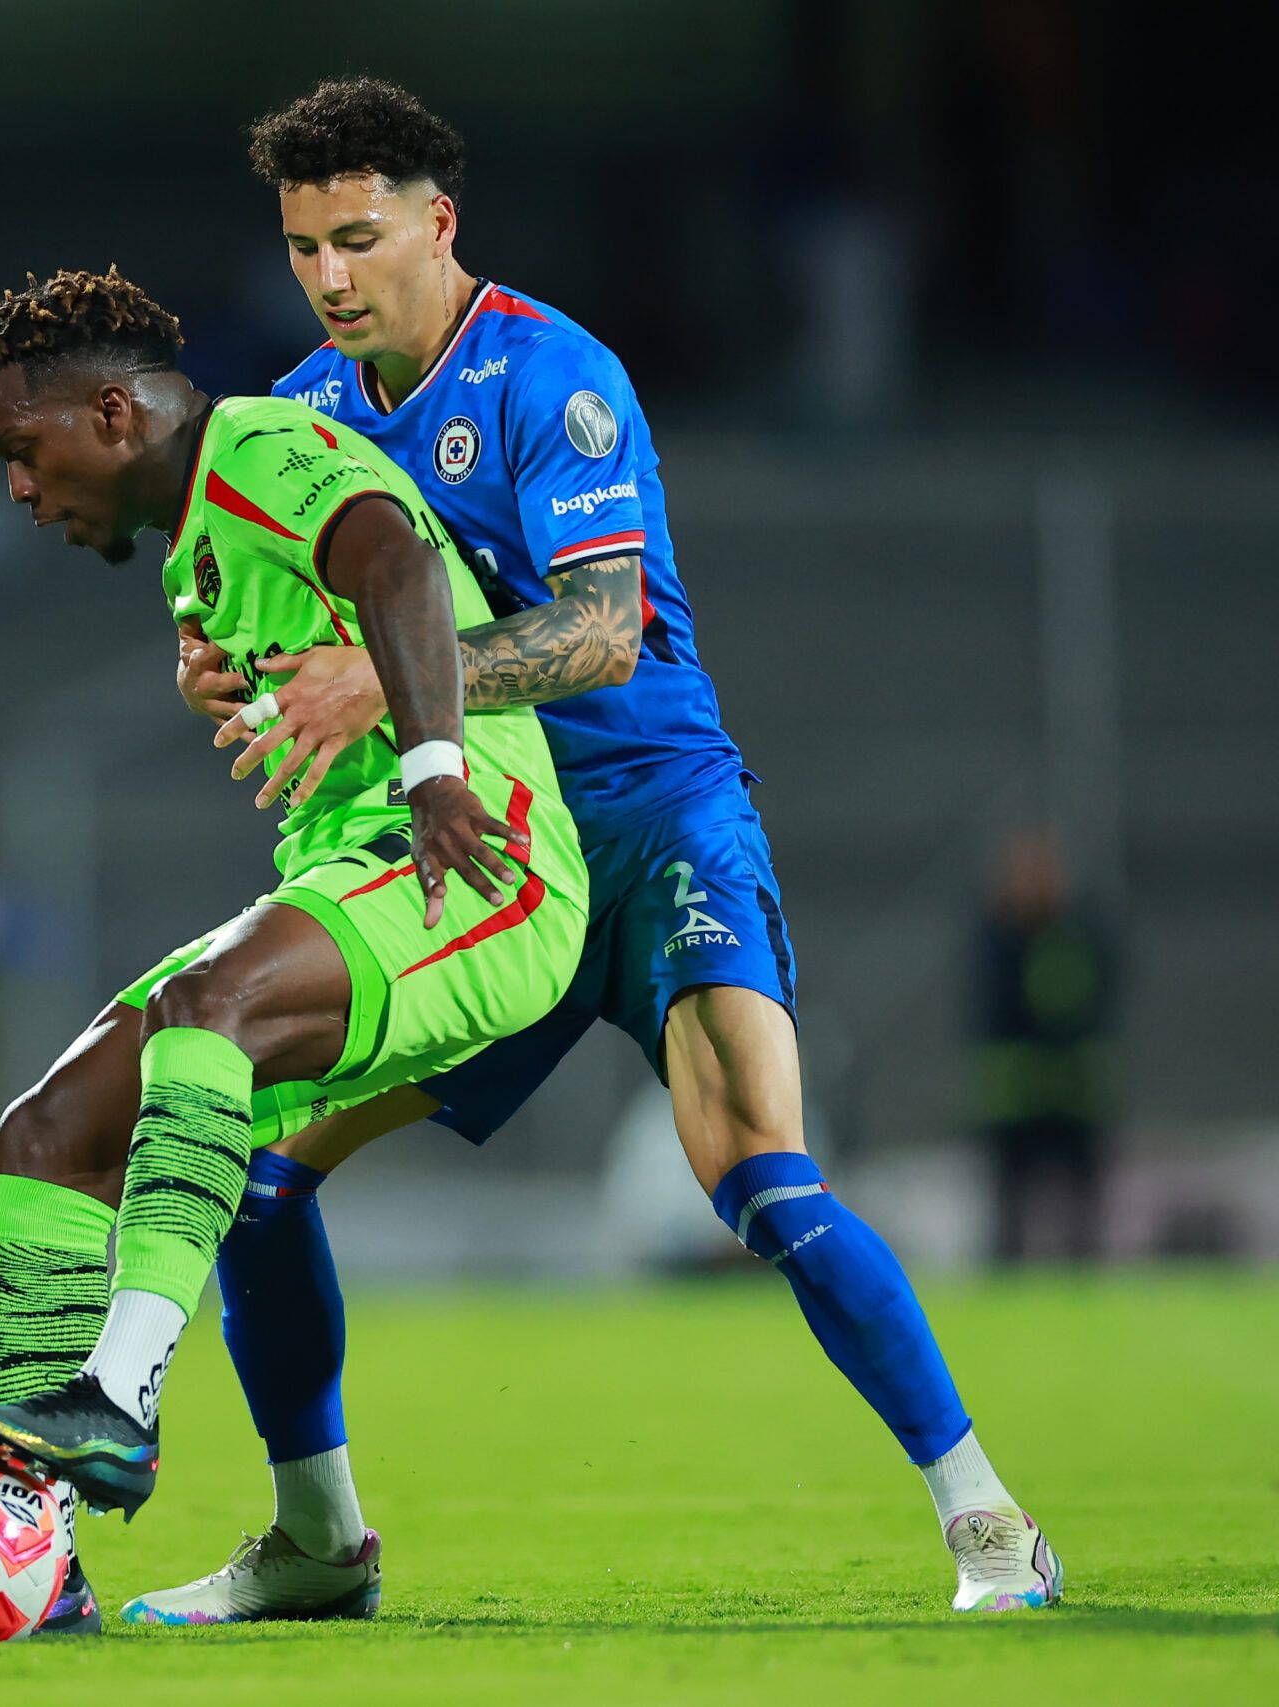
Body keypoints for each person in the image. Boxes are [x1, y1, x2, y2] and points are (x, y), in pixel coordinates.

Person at [125, 78, 1058, 1624]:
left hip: (647, 823)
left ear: (440, 221)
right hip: (483, 856)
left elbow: (607, 631)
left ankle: (991, 1522)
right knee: (262, 1175)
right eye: (303, 250)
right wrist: (214, 660)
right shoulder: (290, 421)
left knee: (753, 1166)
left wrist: (389, 675)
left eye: (358, 239)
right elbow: (223, 591)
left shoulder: (553, 378)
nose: (333, 278)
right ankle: (317, 1542)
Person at [0, 266, 590, 1632]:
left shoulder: (256, 446)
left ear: (115, 413)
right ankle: (25, 1544)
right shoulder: (202, 538)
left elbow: (398, 559)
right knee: (48, 1129)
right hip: (363, 882)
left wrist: (430, 769)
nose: (17, 487)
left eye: (24, 449)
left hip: (479, 860)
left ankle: (116, 1394)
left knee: (208, 1007)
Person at [972, 828, 1115, 1262]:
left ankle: (1086, 1283)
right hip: (1015, 1101)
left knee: (1082, 1211)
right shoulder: (996, 938)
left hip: (1075, 1097)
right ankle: (1007, 1282)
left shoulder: (1082, 933)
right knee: (1011, 1211)